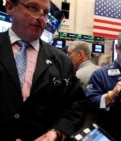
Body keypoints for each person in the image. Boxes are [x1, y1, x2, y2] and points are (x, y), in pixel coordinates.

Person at [0, 0, 87, 140]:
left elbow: (75, 104)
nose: (41, 17)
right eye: (33, 7)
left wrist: (57, 132)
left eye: (46, 13)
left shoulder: (62, 61)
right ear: (10, 7)